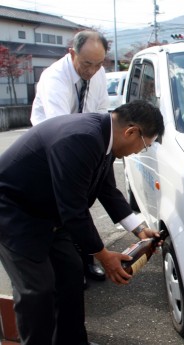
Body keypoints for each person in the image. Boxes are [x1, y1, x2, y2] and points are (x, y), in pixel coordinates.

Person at [0, 100, 165, 345]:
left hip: (50, 214)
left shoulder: (105, 138)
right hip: (15, 214)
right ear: (131, 131)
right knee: (38, 289)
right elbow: (73, 210)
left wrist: (139, 230)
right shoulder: (81, 138)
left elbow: (108, 191)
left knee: (71, 276)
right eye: (144, 146)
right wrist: (103, 255)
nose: (139, 152)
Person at [30, 29, 110, 283]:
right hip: (53, 148)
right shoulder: (54, 77)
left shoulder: (99, 73)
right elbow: (61, 127)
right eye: (87, 63)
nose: (92, 70)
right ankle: (69, 267)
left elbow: (101, 113)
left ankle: (86, 260)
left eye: (98, 64)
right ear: (71, 53)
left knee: (84, 203)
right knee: (65, 207)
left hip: (82, 143)